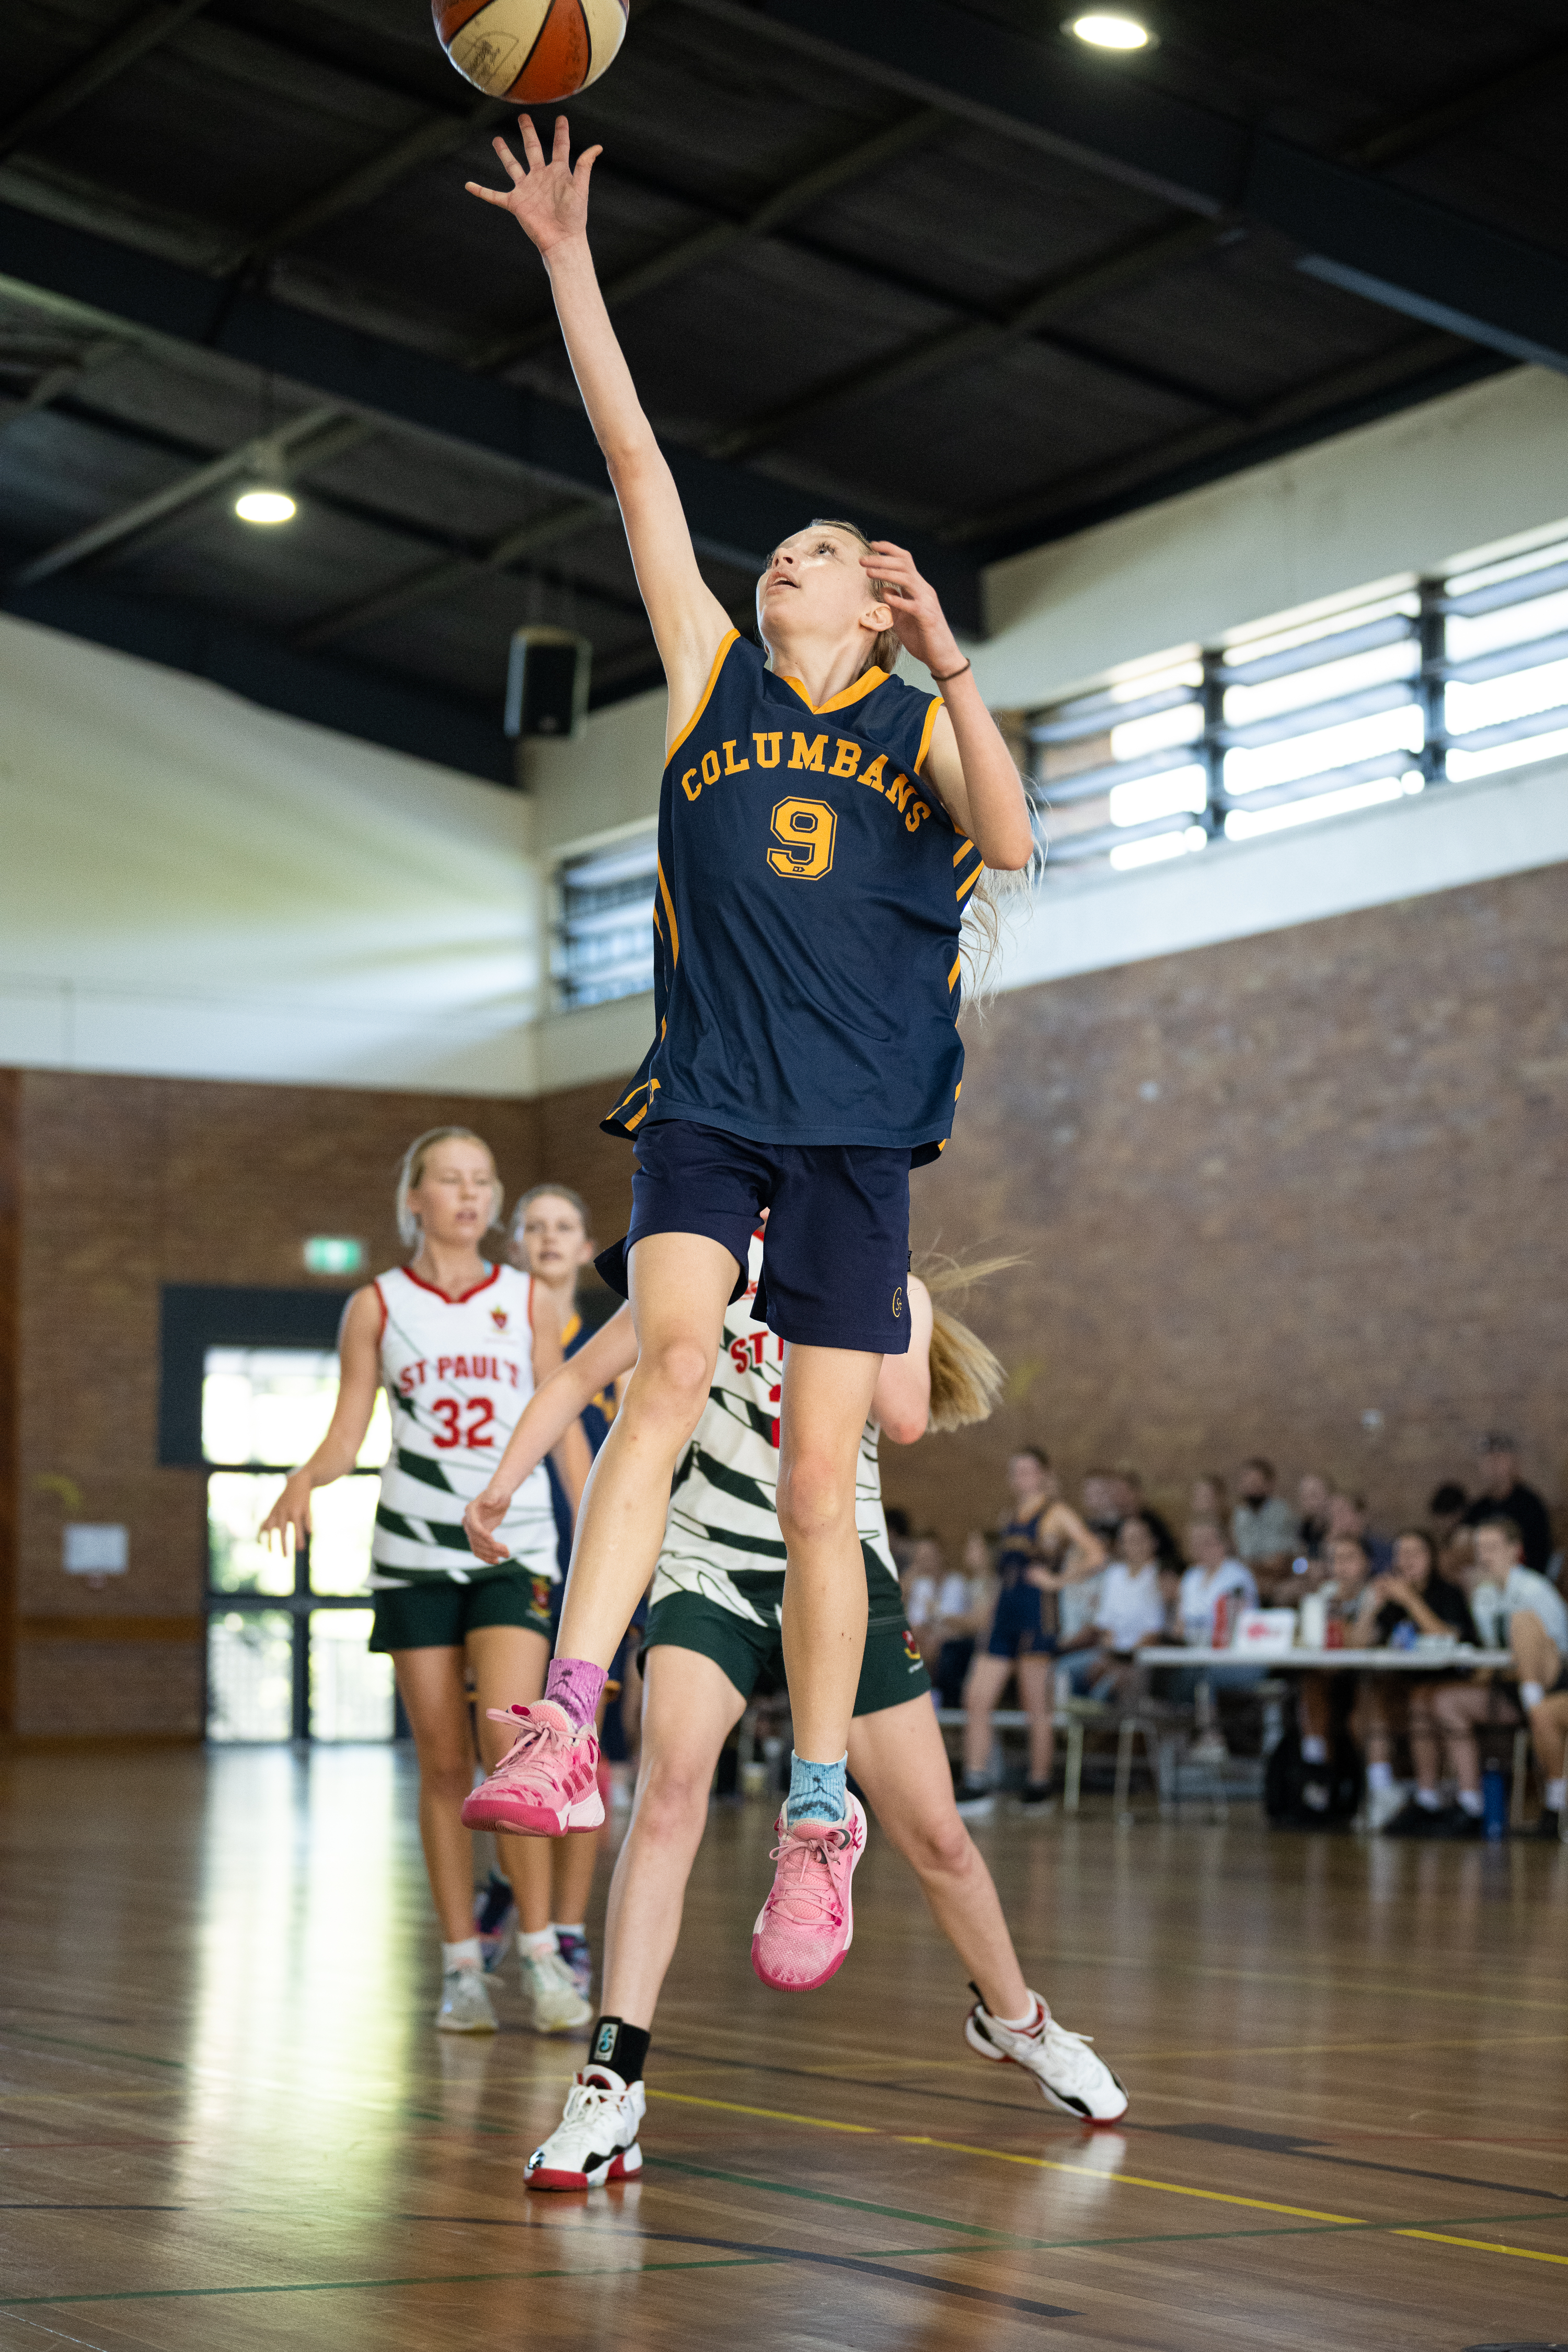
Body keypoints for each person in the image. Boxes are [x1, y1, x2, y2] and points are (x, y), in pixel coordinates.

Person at [456, 114, 1036, 1981]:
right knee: (670, 1360)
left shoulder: (906, 727)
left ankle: (816, 1809)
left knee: (810, 1477)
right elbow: (631, 454)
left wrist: (947, 654)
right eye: (778, 546)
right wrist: (563, 257)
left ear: (865, 607)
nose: (779, 552)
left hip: (857, 1129)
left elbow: (1012, 842)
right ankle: (564, 1715)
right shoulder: (707, 670)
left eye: (812, 550)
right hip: (709, 1097)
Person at [462, 1230, 1127, 2188]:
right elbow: (576, 1380)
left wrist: (866, 1283)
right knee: (670, 1794)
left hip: (842, 1579)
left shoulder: (877, 1278)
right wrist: (501, 1483)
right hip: (709, 1569)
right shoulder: (698, 1266)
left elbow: (902, 1417)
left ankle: (1017, 2020)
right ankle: (612, 2079)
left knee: (938, 1837)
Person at [258, 1128, 592, 2034]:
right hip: (410, 1548)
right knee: (444, 1761)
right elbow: (347, 1431)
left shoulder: (527, 1299)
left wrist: (597, 1529)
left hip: (512, 1545)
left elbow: (562, 1419)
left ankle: (539, 1953)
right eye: (452, 1179)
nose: (472, 1194)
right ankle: (461, 1969)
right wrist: (303, 1477)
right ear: (416, 1197)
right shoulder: (377, 1304)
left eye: (484, 1180)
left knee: (514, 1753)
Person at [472, 1182, 618, 1992]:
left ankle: (564, 1928)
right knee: (509, 1749)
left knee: (585, 1754)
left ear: (585, 1239)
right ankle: (511, 1882)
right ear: (515, 1242)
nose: (549, 1239)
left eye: (565, 1225)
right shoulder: (493, 1335)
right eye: (534, 1227)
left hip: (595, 1564)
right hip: (516, 1556)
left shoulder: (610, 1339)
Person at [958, 1449, 1105, 1818]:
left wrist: (1058, 1581)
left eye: (1029, 1471)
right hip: (1004, 1615)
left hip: (1036, 1615)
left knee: (1034, 1704)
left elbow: (1097, 1554)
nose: (1022, 1477)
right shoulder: (1009, 1518)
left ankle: (1040, 1784)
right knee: (976, 1698)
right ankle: (977, 1781)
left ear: (1043, 1475)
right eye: (1016, 1471)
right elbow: (1000, 1575)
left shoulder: (1056, 1513)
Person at [1421, 1520, 1568, 1838]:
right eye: (1479, 1549)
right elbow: (1491, 1656)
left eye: (1492, 1548)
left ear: (1515, 1551)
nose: (1484, 1557)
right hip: (1510, 1686)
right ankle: (1470, 1802)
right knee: (1445, 1702)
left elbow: (1559, 1649)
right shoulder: (1483, 1597)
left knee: (1523, 1622)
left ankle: (1554, 1807)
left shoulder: (1535, 1589)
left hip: (1552, 1681)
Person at [1348, 1528, 1480, 1835]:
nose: (1405, 1561)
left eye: (1414, 1554)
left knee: (1423, 1700)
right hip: (1401, 1686)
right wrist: (1370, 1607)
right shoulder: (1389, 1599)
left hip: (1446, 1683)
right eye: (1400, 1554)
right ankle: (1383, 1791)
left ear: (1431, 1558)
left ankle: (1431, 1796)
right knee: (1367, 1702)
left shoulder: (1446, 1593)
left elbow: (1448, 1636)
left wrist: (1411, 1601)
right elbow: (1357, 1645)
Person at [1294, 1533, 1373, 1819]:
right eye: (1335, 1560)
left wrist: (1343, 1616)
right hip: (1333, 1676)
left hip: (1369, 1678)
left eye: (1349, 1559)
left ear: (1366, 1563)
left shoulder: (1375, 1594)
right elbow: (1310, 1639)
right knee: (1311, 1687)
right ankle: (1317, 1773)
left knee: (1359, 1713)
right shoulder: (1325, 1594)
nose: (1340, 1566)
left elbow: (1361, 1641)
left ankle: (1370, 1790)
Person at [1061, 1514, 1169, 1707]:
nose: (1132, 1545)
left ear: (1153, 1542)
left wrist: (1122, 1660)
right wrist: (1109, 1657)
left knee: (1107, 1687)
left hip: (1140, 1660)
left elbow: (1154, 1634)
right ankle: (1064, 1729)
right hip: (1111, 1654)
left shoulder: (1160, 1577)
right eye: (1127, 1540)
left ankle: (1093, 1728)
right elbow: (1107, 1626)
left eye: (1138, 1539)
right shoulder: (1114, 1575)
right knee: (1062, 1671)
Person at [1460, 1435, 1554, 1573]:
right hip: (1487, 1579)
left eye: (1500, 1459)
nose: (1495, 1466)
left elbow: (1540, 1553)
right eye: (1489, 1461)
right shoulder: (1478, 1509)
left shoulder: (1530, 1505)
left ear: (1513, 1464)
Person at [1230, 1459, 1298, 1594]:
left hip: (1278, 1581)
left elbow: (1280, 1563)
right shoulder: (1239, 1516)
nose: (1250, 1487)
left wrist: (1250, 1565)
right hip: (1247, 1580)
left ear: (1269, 1484)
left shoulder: (1283, 1514)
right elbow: (1238, 1558)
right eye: (1246, 1482)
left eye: (1255, 1482)